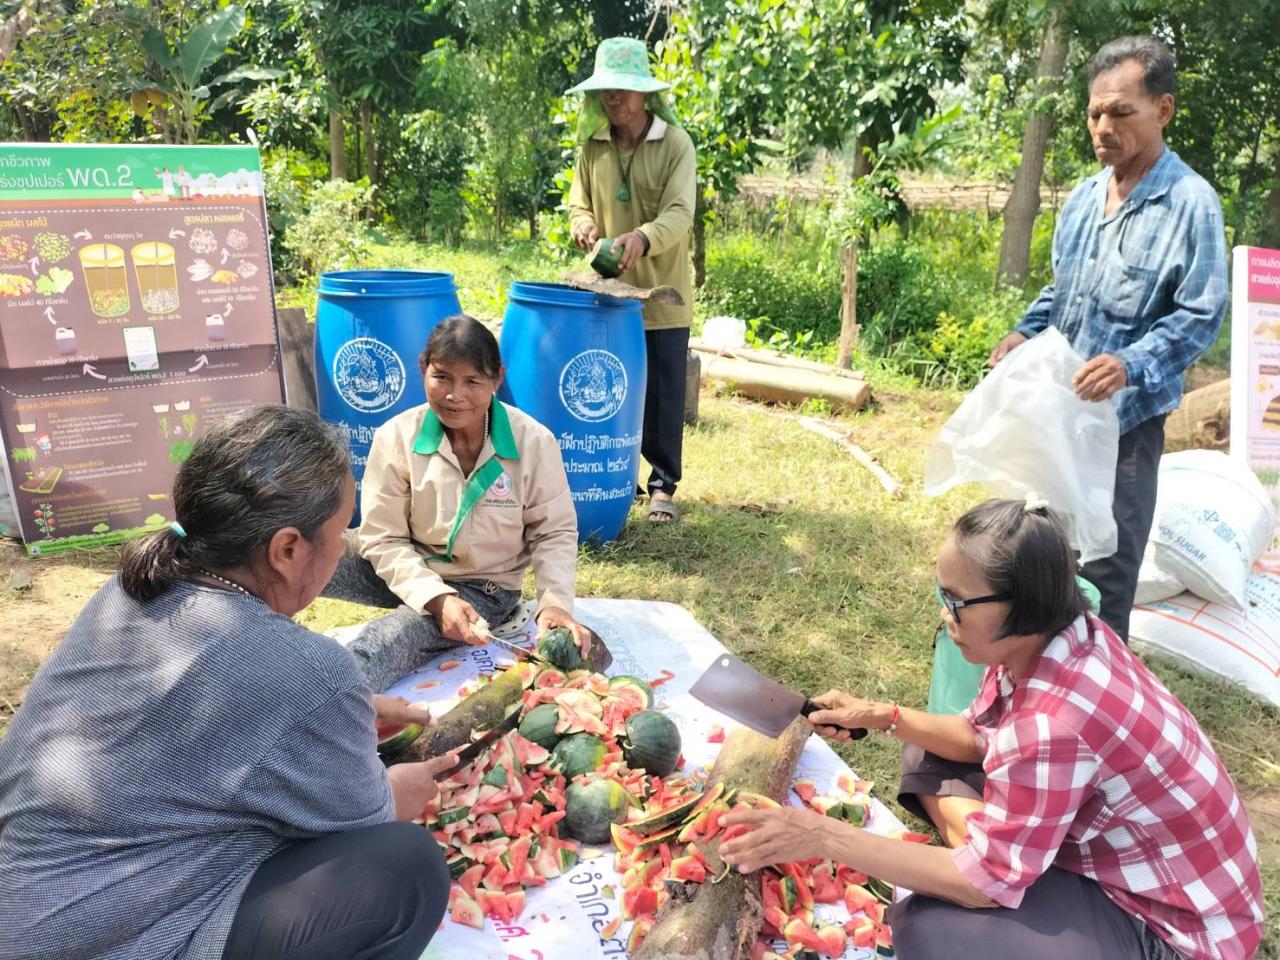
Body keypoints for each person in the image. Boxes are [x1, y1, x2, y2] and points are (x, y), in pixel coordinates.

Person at [0, 405, 454, 960]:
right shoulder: (308, 674)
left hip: (22, 901)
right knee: (407, 866)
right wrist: (399, 789)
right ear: (287, 549)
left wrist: (338, 710)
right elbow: (367, 816)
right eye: (342, 531)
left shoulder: (127, 589)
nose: (344, 546)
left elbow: (204, 719)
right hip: (100, 941)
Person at [720, 498, 1264, 960]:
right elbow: (978, 736)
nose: (944, 616)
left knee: (931, 929)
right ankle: (999, 849)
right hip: (1102, 847)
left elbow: (984, 887)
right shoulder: (1057, 638)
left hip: (1172, 931)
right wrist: (883, 716)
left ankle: (996, 854)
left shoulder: (1051, 723)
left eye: (955, 602)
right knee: (919, 747)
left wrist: (819, 835)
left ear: (1020, 603)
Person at [987, 36, 1227, 642]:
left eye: (1121, 112)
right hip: (1060, 413)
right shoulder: (1084, 198)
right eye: (1095, 113)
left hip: (1126, 428)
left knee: (1106, 572)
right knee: (1042, 551)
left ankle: (1096, 683)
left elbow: (1201, 313)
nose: (1103, 127)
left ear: (1162, 110)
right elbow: (1063, 290)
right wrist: (1024, 331)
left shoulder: (1191, 203)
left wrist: (1128, 363)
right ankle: (1038, 672)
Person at [323, 314, 592, 692]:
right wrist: (434, 597)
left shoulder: (534, 442)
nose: (455, 395)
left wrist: (554, 603)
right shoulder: (396, 436)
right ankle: (256, 641)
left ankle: (326, 704)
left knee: (381, 645)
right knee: (301, 549)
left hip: (483, 590)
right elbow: (382, 538)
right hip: (406, 564)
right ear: (423, 368)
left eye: (473, 381)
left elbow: (554, 531)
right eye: (442, 377)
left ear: (498, 378)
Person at [567, 36, 696, 524]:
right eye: (606, 89)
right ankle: (620, 477)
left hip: (662, 296)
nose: (613, 97)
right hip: (608, 298)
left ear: (645, 93)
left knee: (663, 396)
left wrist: (643, 237)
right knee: (612, 391)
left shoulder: (676, 144)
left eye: (622, 88)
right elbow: (577, 203)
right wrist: (583, 224)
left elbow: (680, 213)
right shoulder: (593, 148)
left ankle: (662, 487)